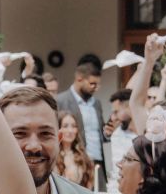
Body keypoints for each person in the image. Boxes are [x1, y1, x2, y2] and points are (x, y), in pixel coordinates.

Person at [55, 54, 104, 183]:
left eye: (98, 84)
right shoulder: (61, 100)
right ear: (79, 78)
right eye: (92, 83)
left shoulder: (97, 103)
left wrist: (108, 132)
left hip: (98, 162)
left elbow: (100, 134)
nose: (96, 88)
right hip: (74, 162)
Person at [54, 111, 95, 187]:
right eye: (65, 126)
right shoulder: (52, 156)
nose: (70, 131)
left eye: (73, 126)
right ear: (58, 129)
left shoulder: (83, 157)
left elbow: (88, 186)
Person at [105, 88, 136, 170]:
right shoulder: (117, 134)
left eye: (116, 112)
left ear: (130, 108)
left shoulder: (145, 133)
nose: (113, 117)